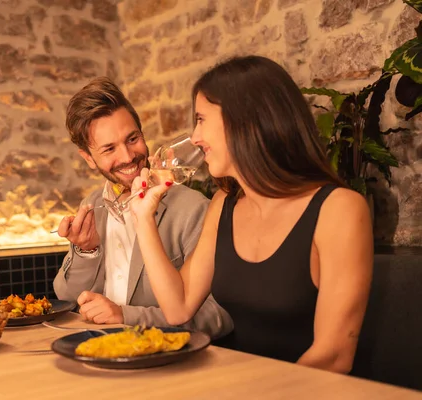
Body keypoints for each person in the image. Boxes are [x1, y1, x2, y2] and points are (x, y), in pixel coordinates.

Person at [129, 56, 373, 373]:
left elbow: (334, 355)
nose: (196, 136)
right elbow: (178, 308)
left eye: (201, 119)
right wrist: (143, 218)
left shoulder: (339, 209)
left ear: (243, 119)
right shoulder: (224, 204)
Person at [53, 76, 233, 339]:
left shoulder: (193, 209)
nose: (127, 157)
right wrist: (86, 251)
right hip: (102, 355)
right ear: (88, 158)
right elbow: (67, 300)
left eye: (132, 138)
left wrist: (126, 316)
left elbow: (218, 317)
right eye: (109, 149)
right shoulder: (92, 205)